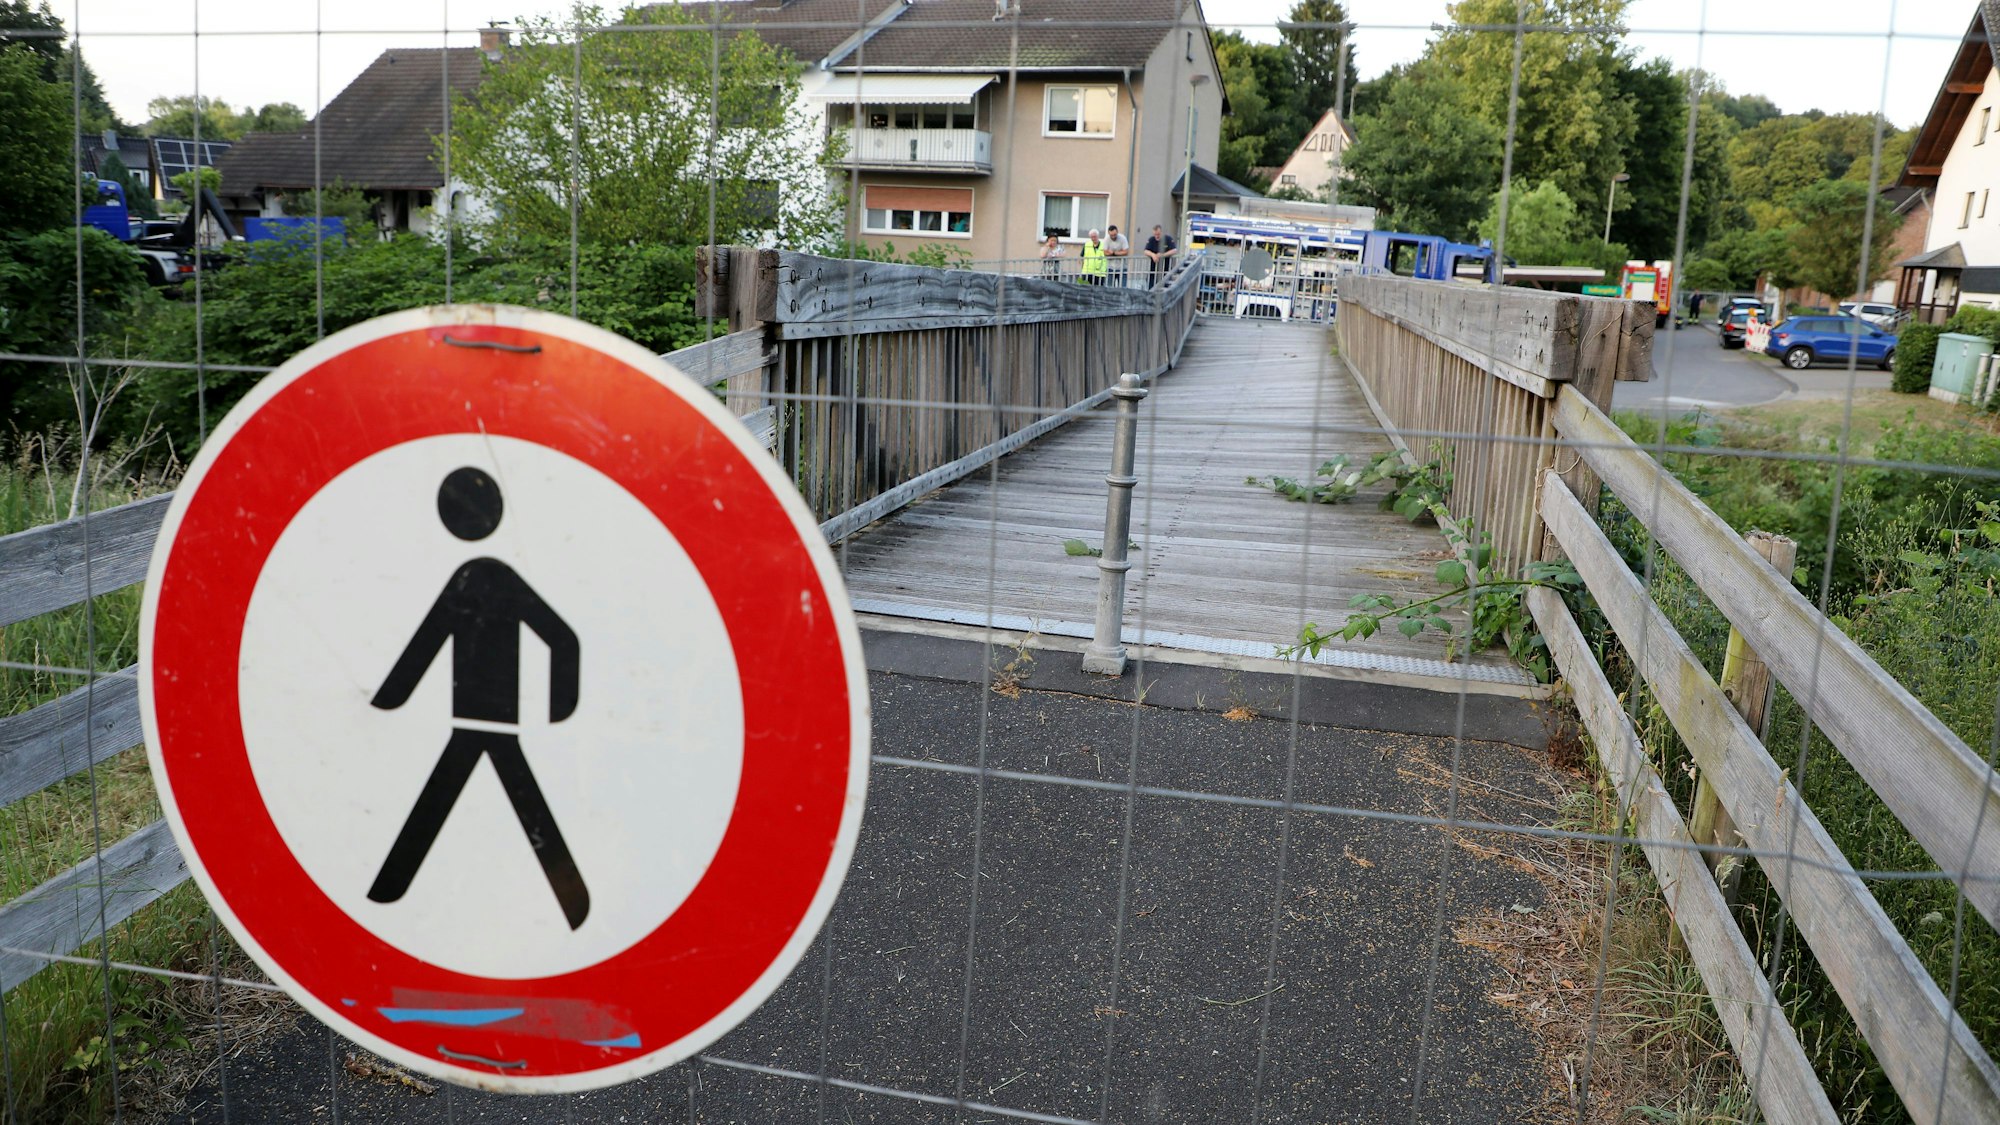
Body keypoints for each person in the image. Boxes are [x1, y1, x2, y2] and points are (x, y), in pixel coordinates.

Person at [1144, 224, 1178, 289]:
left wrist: (1162, 255)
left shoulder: (1168, 239)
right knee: (1151, 287)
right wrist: (1153, 255)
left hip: (1165, 270)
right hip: (1154, 271)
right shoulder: (1151, 240)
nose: (1156, 236)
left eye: (1158, 234)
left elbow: (1174, 250)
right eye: (1155, 234)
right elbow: (1145, 251)